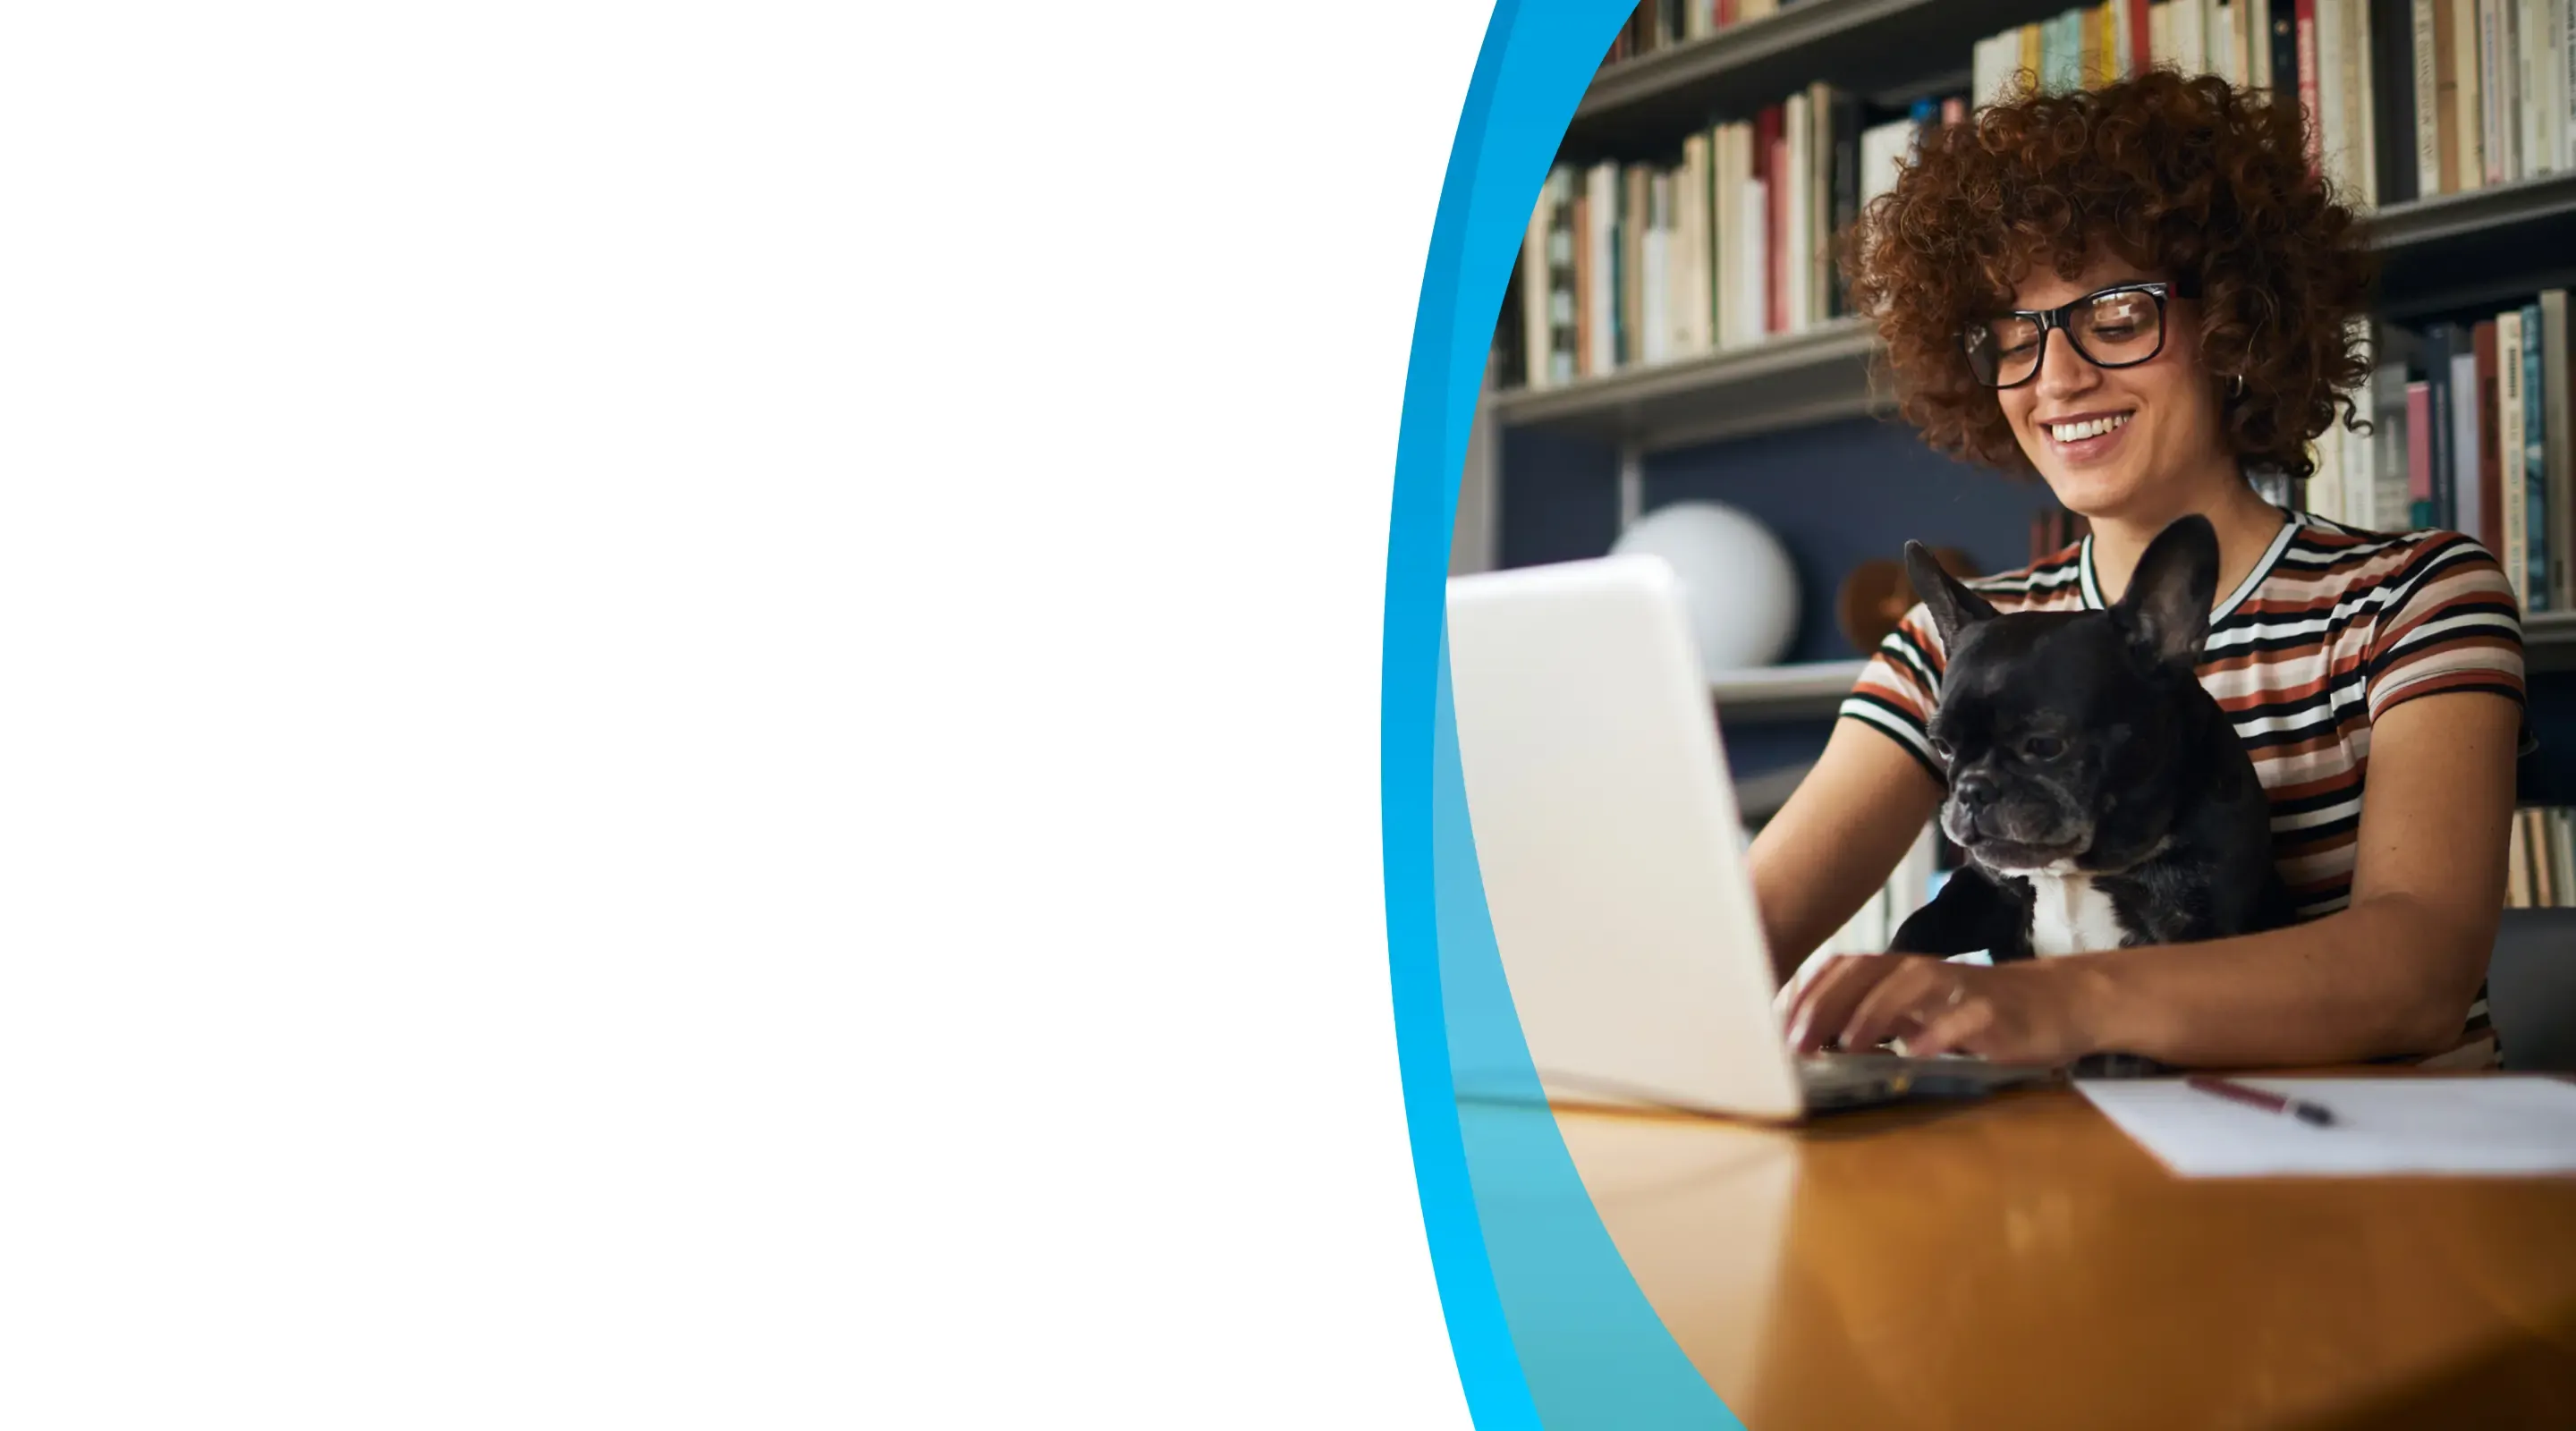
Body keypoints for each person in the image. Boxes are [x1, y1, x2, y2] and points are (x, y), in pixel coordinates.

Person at [1755, 71, 2525, 1070]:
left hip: (2375, 1188)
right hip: (2074, 1179)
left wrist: (2057, 1001)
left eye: (2116, 317)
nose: (2060, 378)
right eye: (2015, 339)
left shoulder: (2408, 599)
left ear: (2234, 326)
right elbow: (1747, 923)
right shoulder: (1958, 643)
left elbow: (2418, 973)